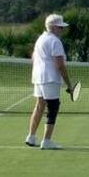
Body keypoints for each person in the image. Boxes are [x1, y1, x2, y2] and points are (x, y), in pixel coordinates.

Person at [25, 14, 74, 151]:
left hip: (38, 77)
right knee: (53, 108)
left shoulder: (40, 39)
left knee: (40, 105)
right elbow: (60, 65)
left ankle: (31, 137)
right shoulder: (55, 41)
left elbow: (34, 58)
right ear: (53, 27)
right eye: (60, 27)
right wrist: (69, 84)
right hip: (50, 78)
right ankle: (46, 141)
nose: (62, 30)